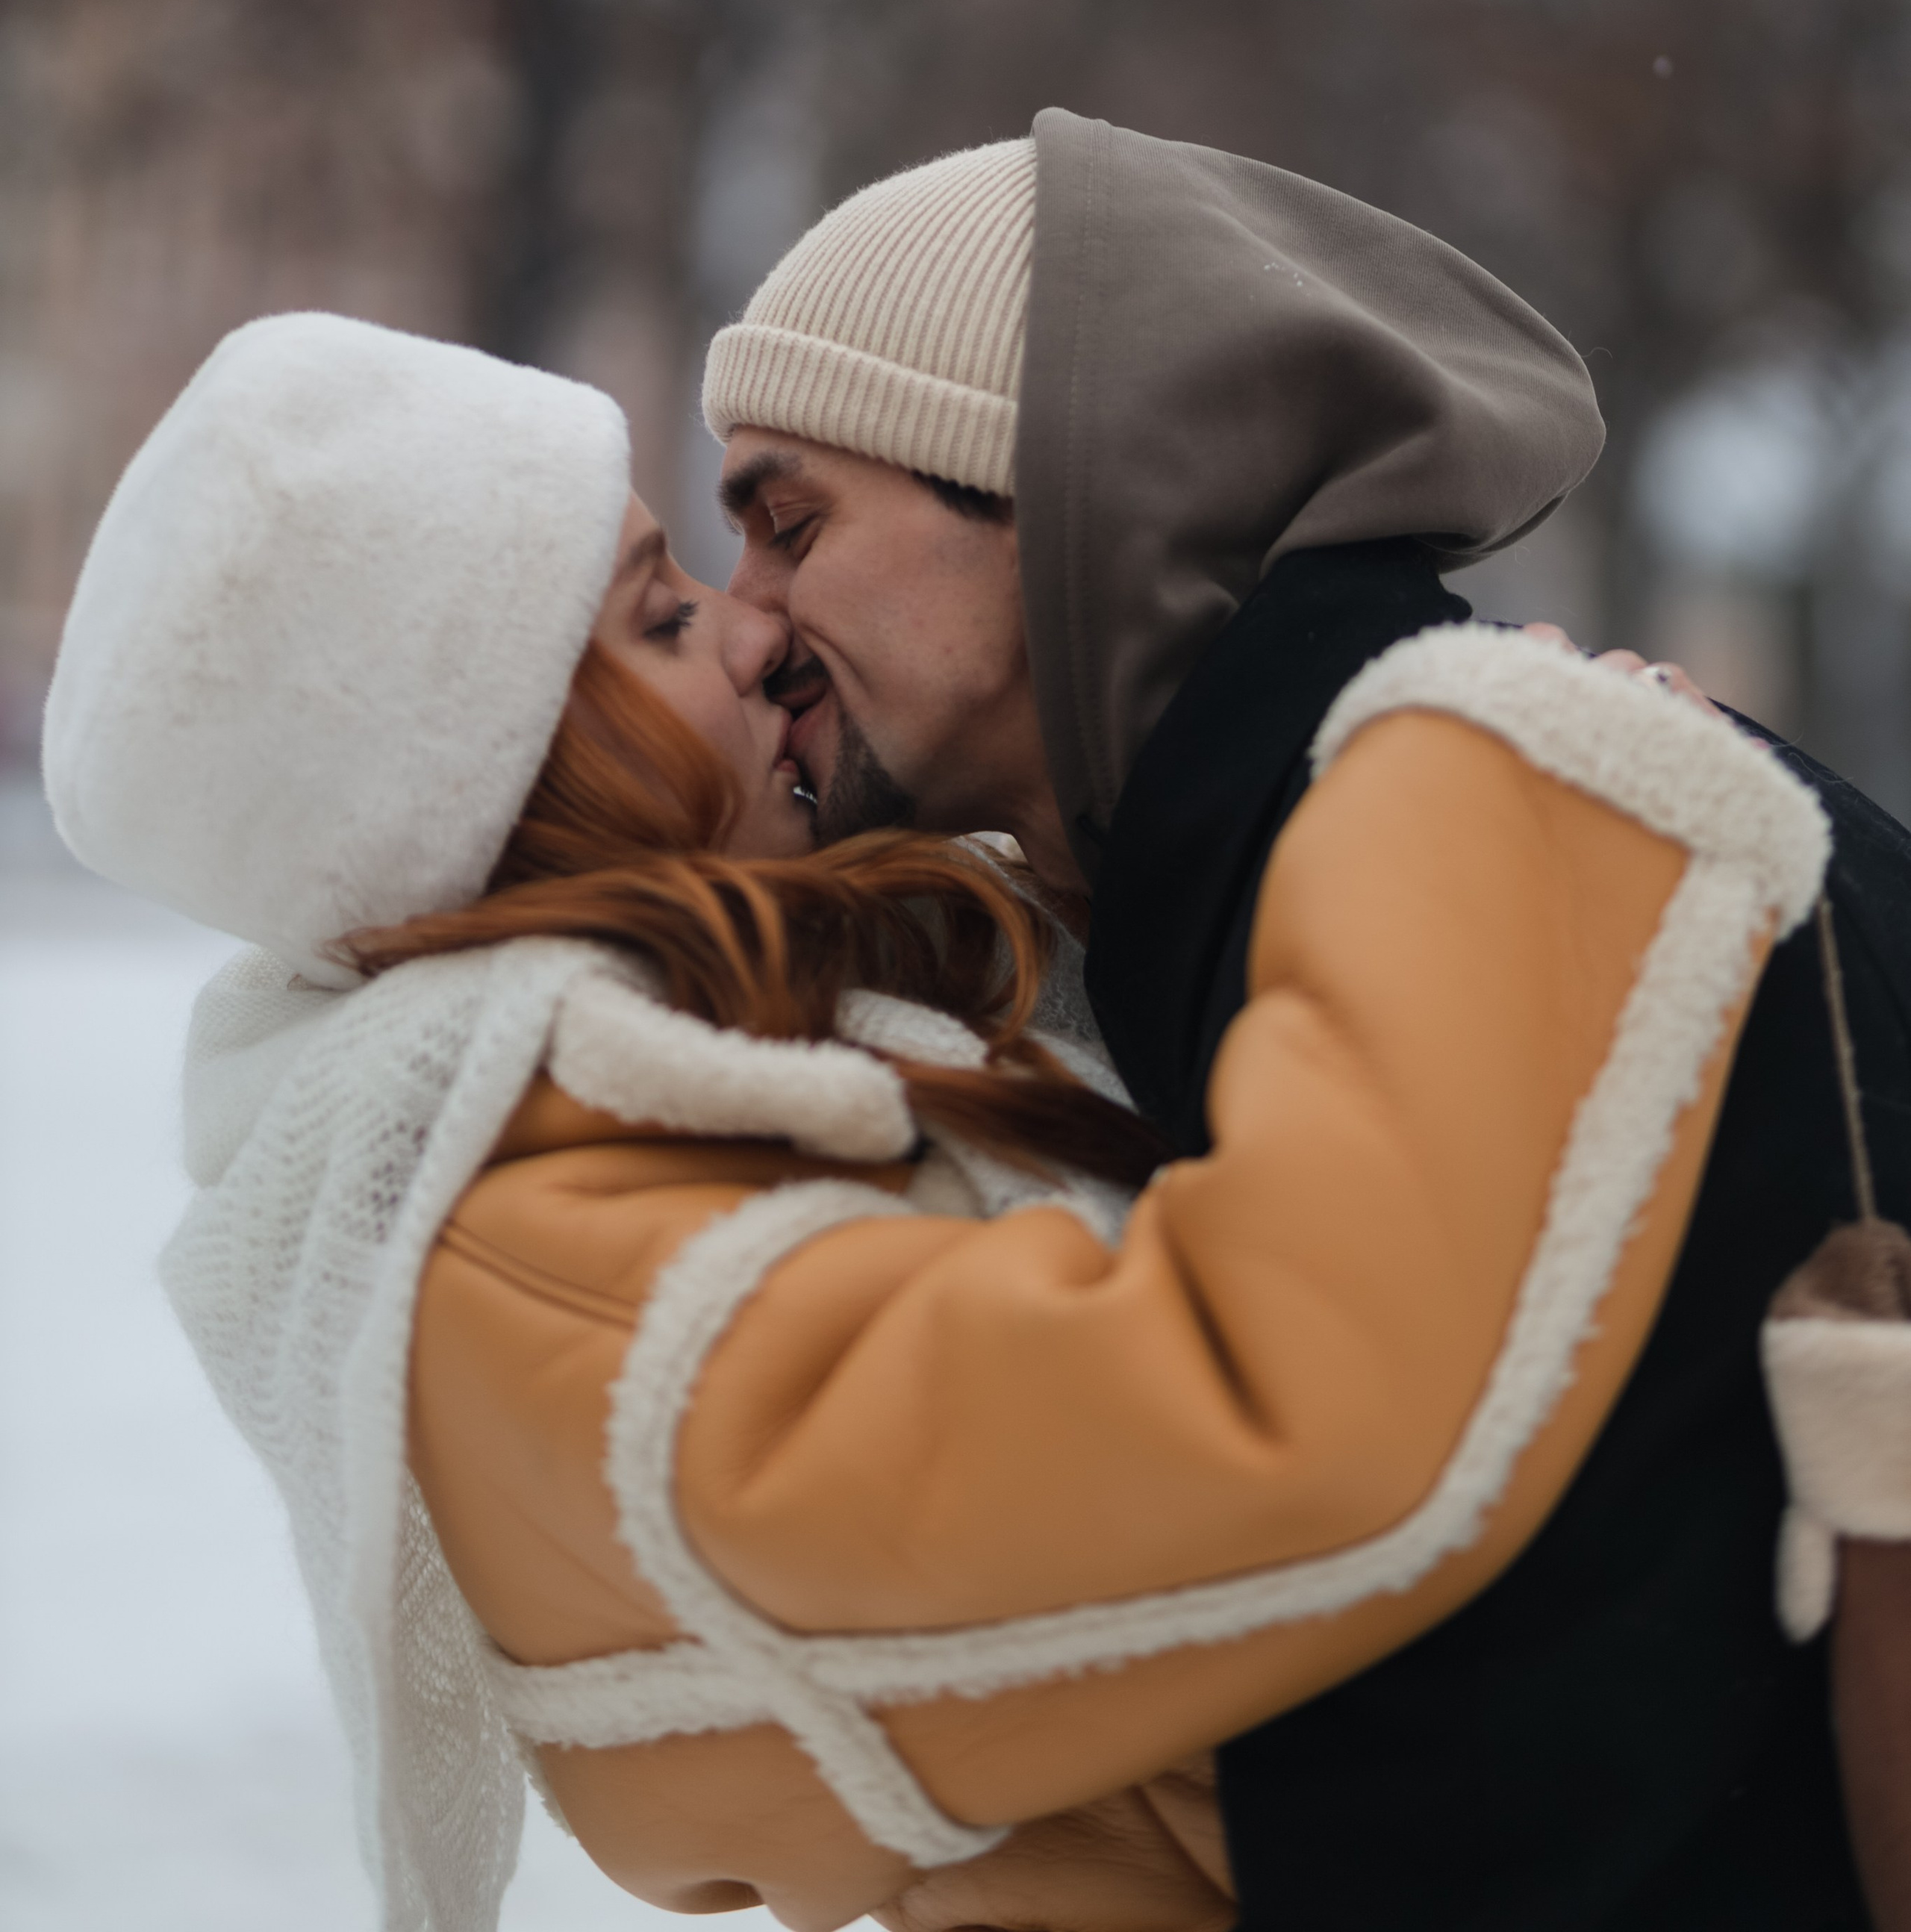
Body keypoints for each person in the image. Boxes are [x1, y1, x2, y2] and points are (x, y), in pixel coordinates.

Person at [42, 308, 1826, 1932]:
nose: (755, 632)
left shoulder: (761, 1055)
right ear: (508, 789)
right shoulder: (553, 1293)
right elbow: (1275, 1424)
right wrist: (1475, 788)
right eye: (663, 617)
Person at [698, 109, 1911, 1930]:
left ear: (1064, 494)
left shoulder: (1496, 843)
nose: (749, 622)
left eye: (790, 522)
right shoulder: (1245, 887)